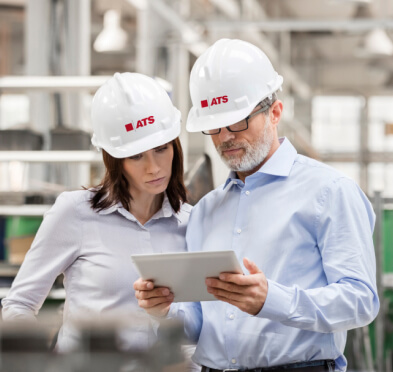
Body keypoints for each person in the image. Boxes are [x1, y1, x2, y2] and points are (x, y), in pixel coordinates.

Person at [134, 39, 380, 372]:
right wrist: (165, 311)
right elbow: (198, 325)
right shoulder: (206, 210)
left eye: (237, 122)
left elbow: (360, 301)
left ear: (275, 112)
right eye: (215, 127)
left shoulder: (330, 192)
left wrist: (272, 300)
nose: (225, 138)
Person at [1, 72, 192, 356]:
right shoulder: (75, 213)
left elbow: (200, 326)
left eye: (162, 149)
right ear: (113, 159)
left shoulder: (191, 223)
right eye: (136, 155)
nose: (154, 167)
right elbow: (19, 304)